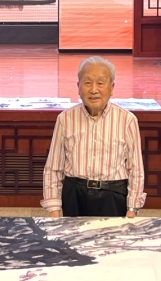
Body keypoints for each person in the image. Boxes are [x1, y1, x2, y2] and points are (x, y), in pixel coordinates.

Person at [41, 56, 146, 217]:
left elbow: (136, 169)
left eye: (100, 83)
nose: (94, 90)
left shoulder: (127, 120)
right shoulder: (65, 119)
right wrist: (54, 209)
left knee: (112, 235)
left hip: (113, 194)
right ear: (78, 86)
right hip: (74, 193)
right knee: (74, 235)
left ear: (111, 87)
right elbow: (53, 168)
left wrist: (132, 209)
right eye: (88, 83)